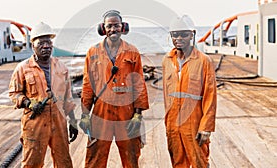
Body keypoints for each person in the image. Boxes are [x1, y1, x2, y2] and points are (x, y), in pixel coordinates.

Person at [79, 10, 149, 168]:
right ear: (102, 29)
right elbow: (87, 84)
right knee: (95, 157)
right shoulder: (93, 52)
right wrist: (84, 114)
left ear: (123, 27)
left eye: (116, 25)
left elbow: (139, 84)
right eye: (109, 26)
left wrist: (138, 115)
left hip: (126, 111)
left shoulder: (132, 51)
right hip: (101, 111)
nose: (113, 29)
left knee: (131, 156)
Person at [9, 22, 78, 168]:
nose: (46, 46)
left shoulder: (62, 67)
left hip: (59, 123)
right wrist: (29, 103)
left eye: (48, 42)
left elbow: (68, 99)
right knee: (32, 163)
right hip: (35, 124)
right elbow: (14, 93)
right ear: (33, 45)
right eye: (41, 43)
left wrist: (73, 122)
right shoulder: (23, 68)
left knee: (64, 162)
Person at [162, 15, 217, 168]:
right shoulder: (166, 60)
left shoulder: (204, 61)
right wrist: (168, 122)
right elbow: (167, 95)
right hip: (173, 122)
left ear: (192, 35)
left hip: (194, 122)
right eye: (175, 34)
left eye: (184, 34)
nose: (179, 38)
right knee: (177, 161)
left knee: (199, 161)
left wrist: (206, 126)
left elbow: (210, 96)